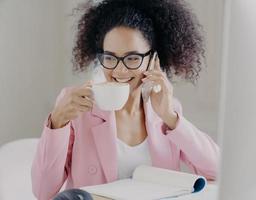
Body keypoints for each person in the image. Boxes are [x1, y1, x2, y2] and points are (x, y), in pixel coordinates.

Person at [31, 0, 219, 199]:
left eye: (132, 58)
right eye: (110, 58)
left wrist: (170, 117)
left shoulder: (167, 111)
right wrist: (57, 121)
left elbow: (217, 169)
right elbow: (43, 191)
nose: (119, 70)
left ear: (153, 59)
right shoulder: (78, 108)